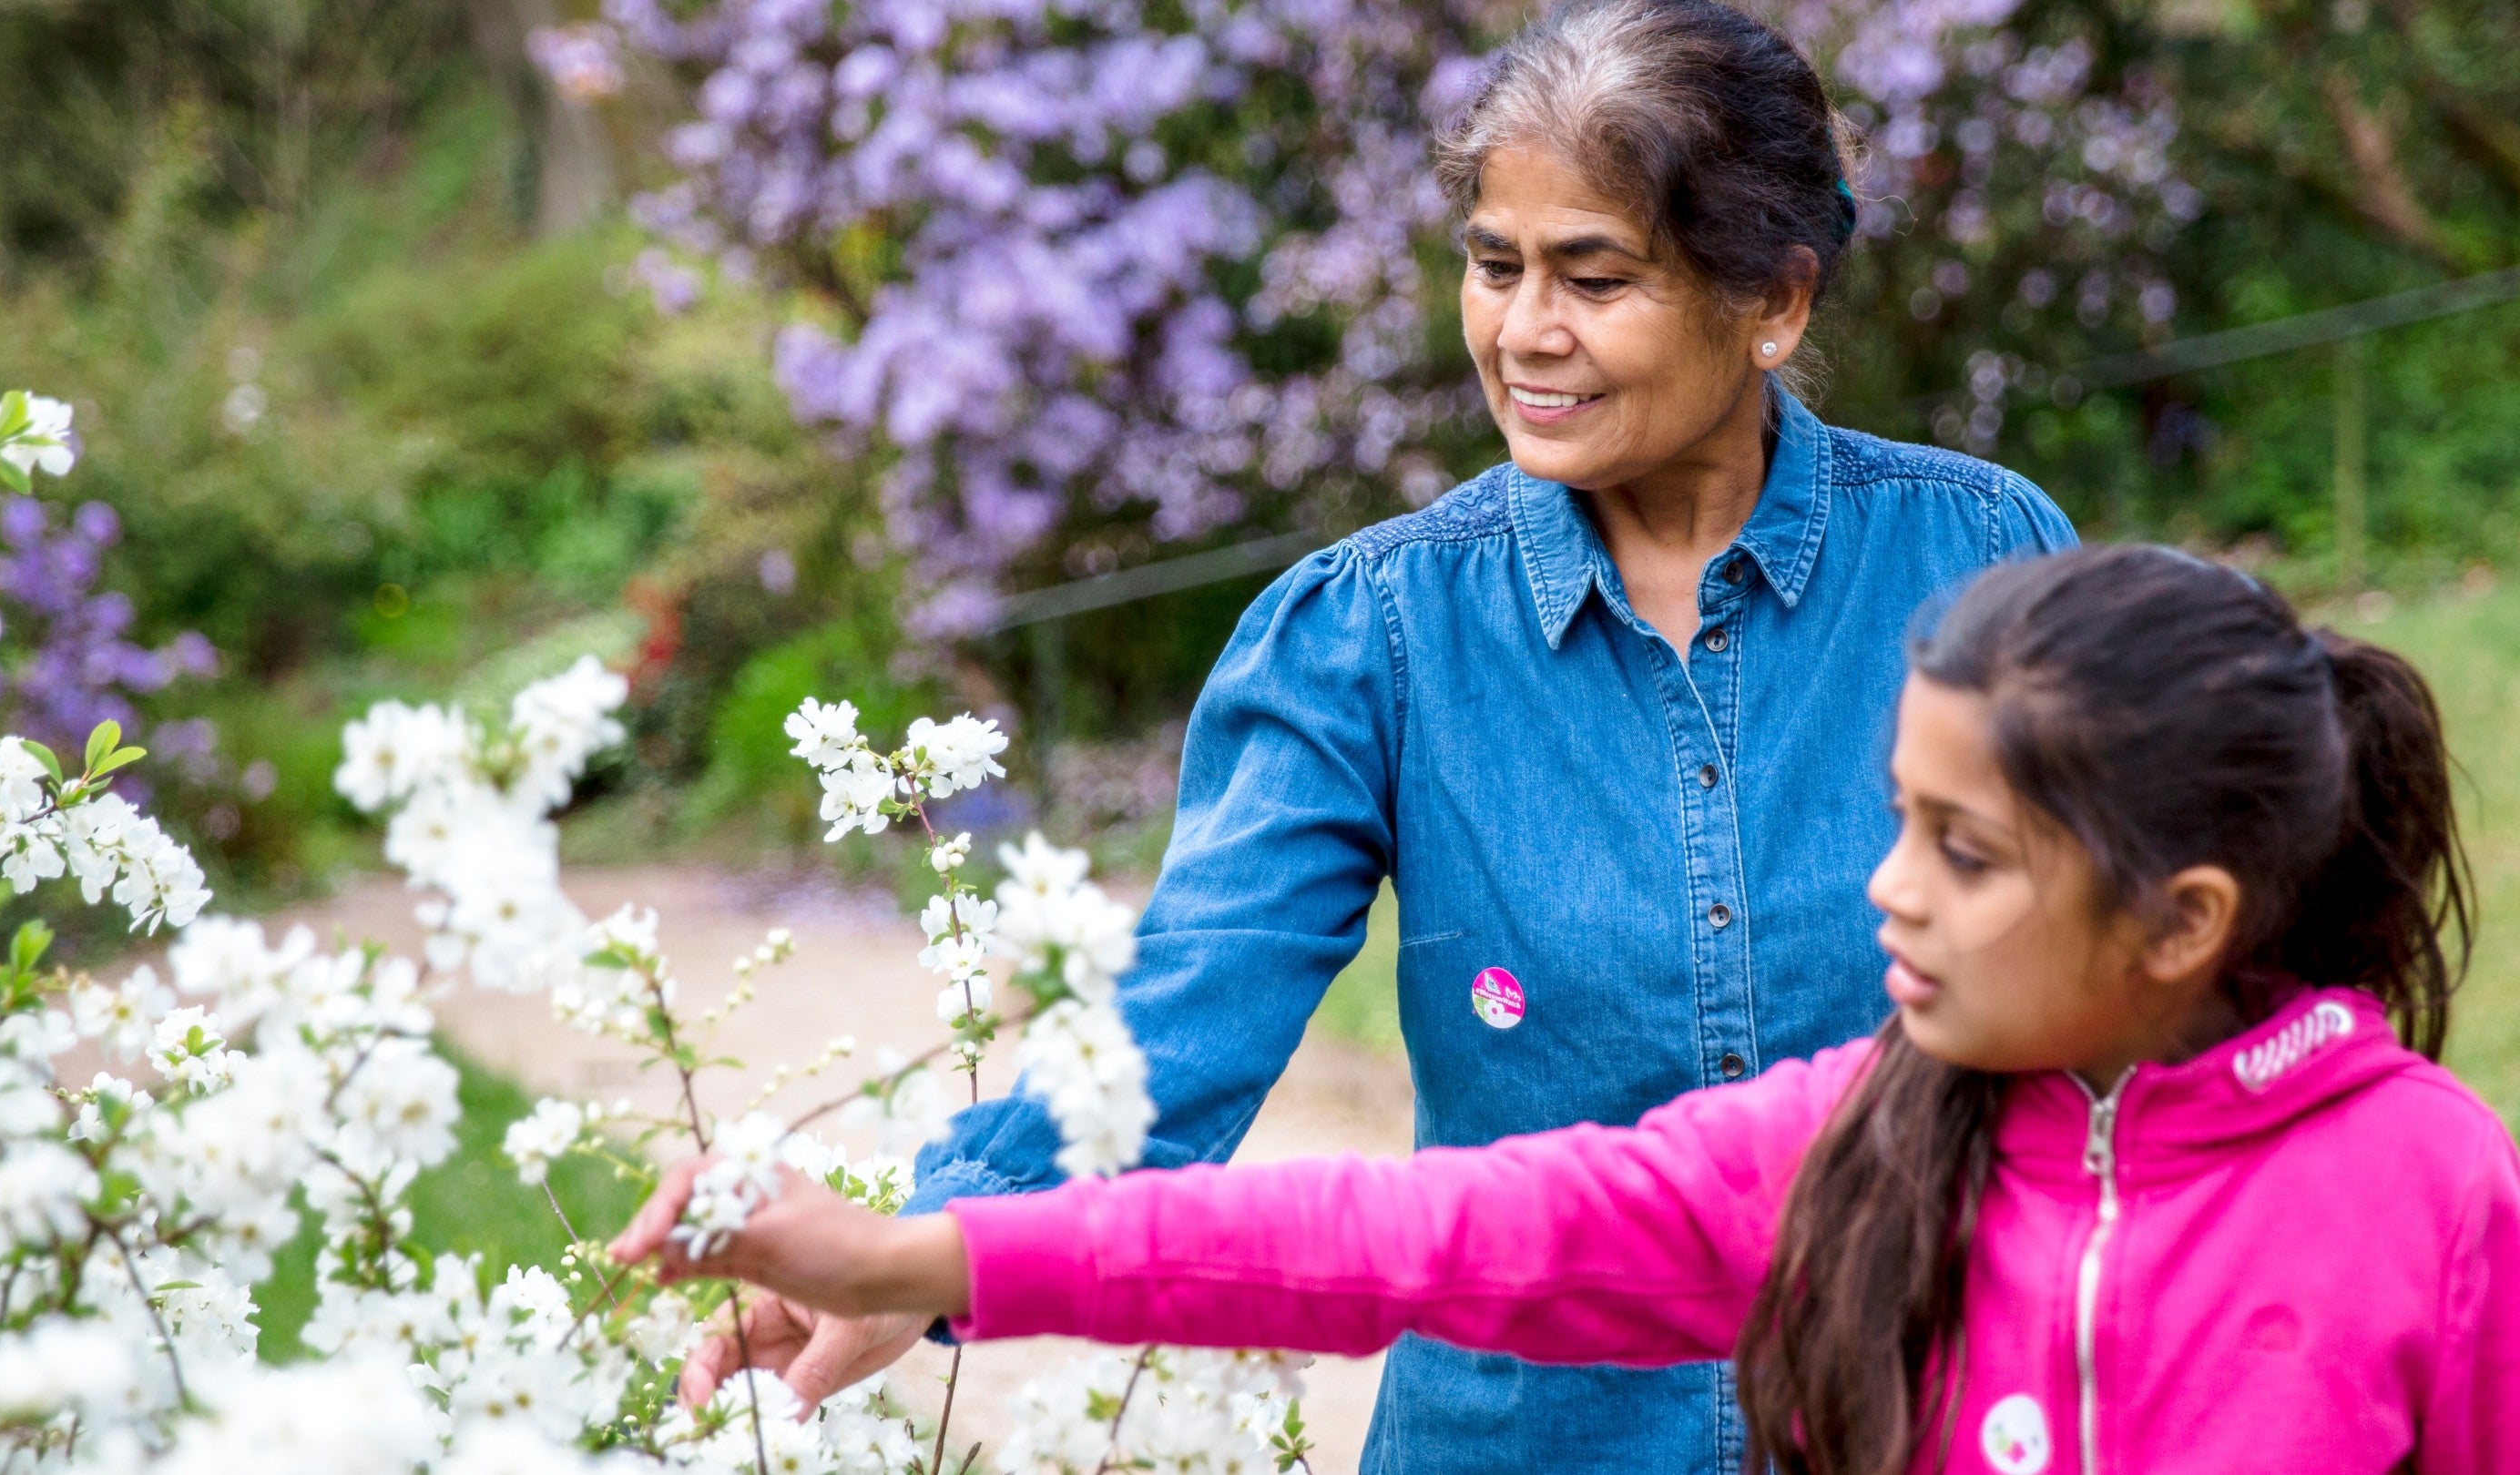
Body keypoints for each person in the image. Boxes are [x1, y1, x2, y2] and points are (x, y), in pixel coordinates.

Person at [682, 2, 2074, 1469]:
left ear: (1775, 302)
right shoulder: (1369, 632)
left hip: (1935, 1418)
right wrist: (920, 1260)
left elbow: (2099, 1010)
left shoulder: (1975, 563)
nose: (1527, 331)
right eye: (1496, 266)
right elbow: (1182, 1013)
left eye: (1595, 277)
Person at [619, 544, 2520, 1473]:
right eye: (1897, 824)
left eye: (1962, 849)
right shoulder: (1852, 1141)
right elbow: (1390, 1237)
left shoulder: (2433, 1193)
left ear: (2182, 918)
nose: (1888, 887)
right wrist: (914, 1252)